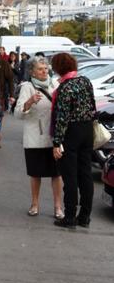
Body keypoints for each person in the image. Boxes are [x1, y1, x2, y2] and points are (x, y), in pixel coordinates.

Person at [51, 53, 95, 228]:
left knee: (70, 177)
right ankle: (84, 217)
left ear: (59, 68)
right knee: (86, 174)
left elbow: (62, 118)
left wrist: (56, 143)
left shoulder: (64, 88)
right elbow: (92, 105)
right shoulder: (85, 81)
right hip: (87, 130)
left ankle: (69, 217)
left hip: (71, 133)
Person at [15, 58, 63, 218]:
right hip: (35, 136)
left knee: (56, 174)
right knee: (36, 174)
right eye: (40, 69)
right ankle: (34, 204)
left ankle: (58, 207)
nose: (44, 71)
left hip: (54, 137)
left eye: (46, 68)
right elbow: (17, 113)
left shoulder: (55, 85)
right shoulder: (27, 87)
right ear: (32, 71)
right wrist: (29, 102)